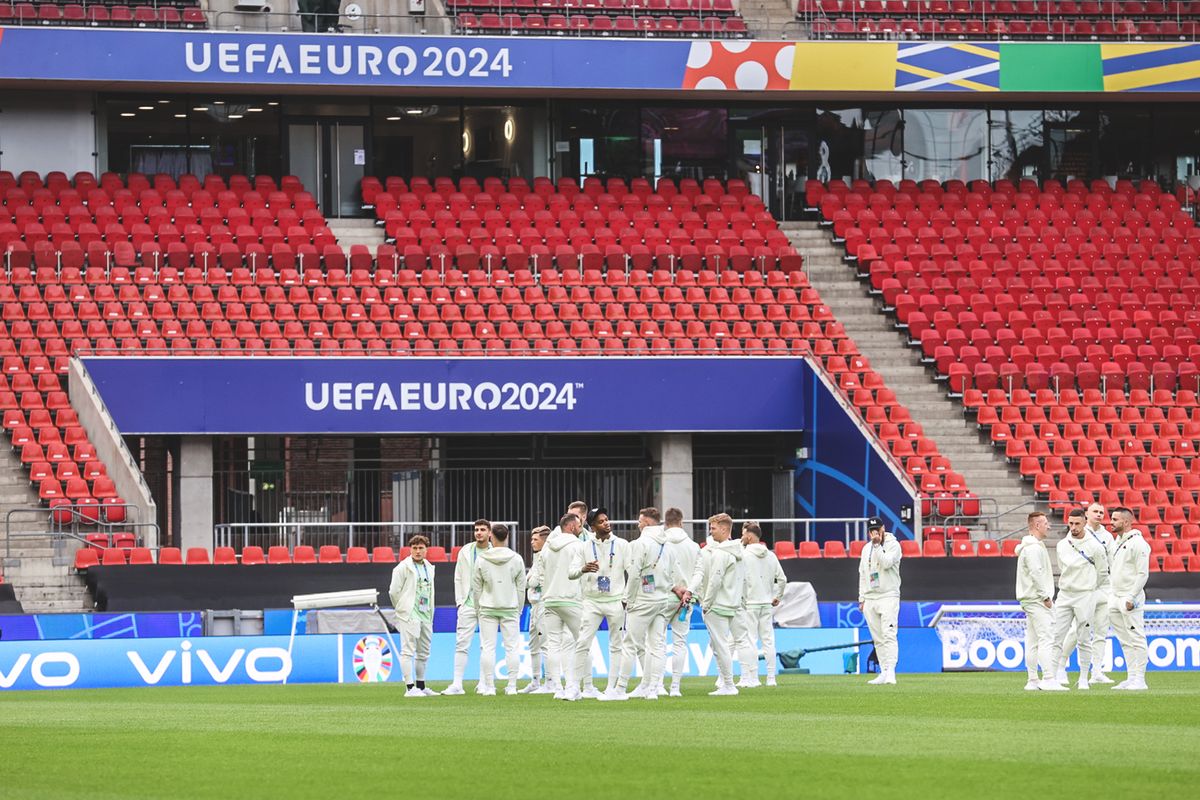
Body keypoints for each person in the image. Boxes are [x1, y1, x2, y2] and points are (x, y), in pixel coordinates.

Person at [601, 512, 686, 701]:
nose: (638, 525)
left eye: (640, 521)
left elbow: (635, 574)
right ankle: (653, 688)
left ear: (646, 522)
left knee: (630, 644)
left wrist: (627, 599)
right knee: (656, 645)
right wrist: (674, 587)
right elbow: (671, 574)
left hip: (643, 600)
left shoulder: (641, 544)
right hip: (661, 599)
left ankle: (620, 689)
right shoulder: (668, 545)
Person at [680, 513, 746, 696]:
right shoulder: (736, 551)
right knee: (718, 645)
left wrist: (706, 603)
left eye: (713, 528)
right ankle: (727, 681)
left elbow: (715, 580)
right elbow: (743, 579)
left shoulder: (721, 553)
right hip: (731, 604)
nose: (711, 531)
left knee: (720, 645)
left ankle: (729, 684)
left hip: (717, 605)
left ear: (724, 529)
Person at [574, 506, 632, 699]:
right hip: (591, 601)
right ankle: (575, 687)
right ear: (592, 527)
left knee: (616, 645)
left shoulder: (622, 544)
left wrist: (626, 598)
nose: (606, 523)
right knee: (582, 643)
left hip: (615, 601)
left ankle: (611, 688)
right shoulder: (584, 546)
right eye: (600, 521)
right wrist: (583, 569)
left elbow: (632, 572)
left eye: (606, 519)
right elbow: (571, 572)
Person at [1050, 508, 1108, 690]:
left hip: (1085, 595)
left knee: (1084, 638)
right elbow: (1063, 567)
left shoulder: (1095, 546)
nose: (1074, 527)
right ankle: (1052, 676)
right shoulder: (1062, 545)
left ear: (1084, 522)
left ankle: (1084, 678)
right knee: (1057, 636)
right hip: (1065, 594)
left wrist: (1089, 587)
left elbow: (1102, 572)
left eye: (1077, 523)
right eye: (1071, 523)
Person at [471, 523, 527, 696]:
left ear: (491, 537)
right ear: (507, 536)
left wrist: (477, 607)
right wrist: (518, 607)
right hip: (509, 607)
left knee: (487, 648)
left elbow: (476, 587)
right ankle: (511, 686)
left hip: (488, 607)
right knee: (512, 648)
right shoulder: (516, 558)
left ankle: (489, 686)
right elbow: (521, 587)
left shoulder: (482, 559)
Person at [443, 519, 492, 696]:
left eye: (482, 530)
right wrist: (460, 601)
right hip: (468, 604)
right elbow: (458, 576)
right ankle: (457, 684)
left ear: (489, 532)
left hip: (488, 605)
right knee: (461, 644)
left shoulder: (495, 552)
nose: (479, 532)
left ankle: (484, 683)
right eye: (476, 530)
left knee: (486, 646)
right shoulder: (465, 550)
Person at [1016, 511, 1064, 691]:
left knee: (1033, 640)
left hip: (1030, 599)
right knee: (1046, 638)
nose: (1049, 525)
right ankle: (1049, 678)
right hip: (1037, 599)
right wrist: (1045, 596)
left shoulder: (1029, 546)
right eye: (1045, 523)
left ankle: (1033, 680)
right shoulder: (1034, 548)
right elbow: (1036, 573)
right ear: (1037, 525)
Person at [542, 513, 586, 700]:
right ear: (570, 527)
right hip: (571, 599)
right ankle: (574, 686)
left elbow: (542, 569)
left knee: (553, 644)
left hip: (550, 599)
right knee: (581, 643)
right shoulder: (578, 546)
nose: (580, 527)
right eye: (578, 525)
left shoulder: (547, 547)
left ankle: (558, 688)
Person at [1107, 507, 1151, 691]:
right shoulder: (1116, 542)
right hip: (1115, 596)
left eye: (1115, 519)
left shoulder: (1139, 543)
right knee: (1124, 639)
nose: (1111, 522)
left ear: (1126, 522)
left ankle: (1140, 679)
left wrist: (1131, 596)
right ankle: (1131, 676)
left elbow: (1143, 574)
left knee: (1136, 637)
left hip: (1129, 598)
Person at [388, 534, 436, 698]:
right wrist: (401, 608)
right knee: (408, 651)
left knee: (423, 652)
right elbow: (393, 592)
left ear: (426, 549)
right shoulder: (402, 567)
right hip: (409, 614)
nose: (417, 551)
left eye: (421, 548)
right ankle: (409, 688)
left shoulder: (429, 567)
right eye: (414, 548)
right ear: (410, 549)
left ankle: (421, 686)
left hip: (426, 614)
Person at [740, 523, 787, 688]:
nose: (742, 537)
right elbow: (782, 579)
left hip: (750, 604)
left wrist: (742, 598)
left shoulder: (744, 555)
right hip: (766, 603)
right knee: (768, 641)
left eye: (744, 534)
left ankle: (753, 678)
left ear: (750, 537)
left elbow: (741, 580)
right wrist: (777, 596)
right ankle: (771, 678)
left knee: (750, 641)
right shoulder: (771, 555)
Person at [857, 517, 901, 686]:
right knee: (878, 637)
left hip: (888, 595)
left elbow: (887, 563)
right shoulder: (865, 548)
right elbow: (863, 573)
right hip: (870, 597)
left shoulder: (893, 545)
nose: (875, 532)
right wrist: (861, 597)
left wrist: (877, 546)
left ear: (883, 528)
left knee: (889, 634)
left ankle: (891, 671)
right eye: (872, 530)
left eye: (878, 529)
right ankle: (883, 671)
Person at [664, 507, 701, 697]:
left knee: (656, 643)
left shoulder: (661, 544)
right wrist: (689, 591)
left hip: (664, 597)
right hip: (686, 600)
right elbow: (699, 573)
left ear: (665, 522)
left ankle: (656, 686)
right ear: (681, 522)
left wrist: (673, 587)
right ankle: (675, 687)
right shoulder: (693, 546)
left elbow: (659, 572)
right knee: (679, 643)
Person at [520, 525, 553, 694]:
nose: (532, 542)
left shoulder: (547, 557)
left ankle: (550, 682)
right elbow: (530, 580)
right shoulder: (536, 557)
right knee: (533, 645)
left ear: (544, 541)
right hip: (533, 605)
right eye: (532, 539)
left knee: (545, 644)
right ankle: (535, 680)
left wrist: (529, 580)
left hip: (543, 605)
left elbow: (532, 582)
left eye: (535, 539)